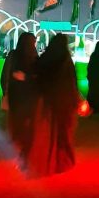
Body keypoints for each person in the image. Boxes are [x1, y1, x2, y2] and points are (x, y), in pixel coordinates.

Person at [27, 34, 79, 178]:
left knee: (48, 134)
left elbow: (36, 75)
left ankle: (46, 162)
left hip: (46, 102)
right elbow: (71, 84)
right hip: (62, 103)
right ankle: (60, 162)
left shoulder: (46, 58)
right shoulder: (66, 61)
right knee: (62, 134)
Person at [0, 32, 39, 166]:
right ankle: (24, 152)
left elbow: (5, 75)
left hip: (18, 97)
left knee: (19, 125)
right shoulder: (33, 56)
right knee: (26, 126)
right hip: (26, 97)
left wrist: (6, 91)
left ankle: (22, 151)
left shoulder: (16, 55)